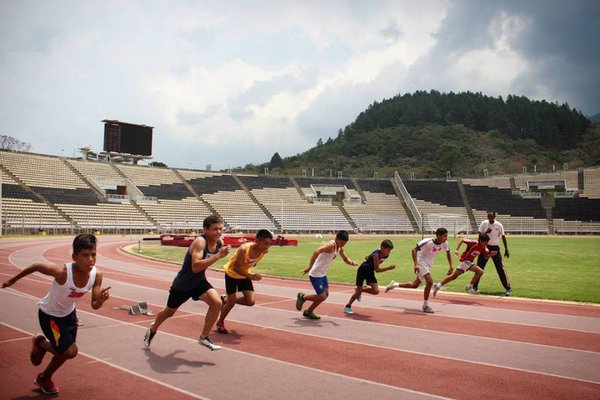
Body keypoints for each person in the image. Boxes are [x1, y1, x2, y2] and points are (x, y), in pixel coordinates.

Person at [1, 234, 111, 395]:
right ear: (74, 257)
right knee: (69, 352)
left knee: (64, 354)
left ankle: (44, 378)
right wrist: (12, 280)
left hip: (69, 315)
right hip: (50, 315)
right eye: (85, 255)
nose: (91, 260)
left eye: (93, 254)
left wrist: (101, 300)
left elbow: (95, 305)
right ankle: (40, 344)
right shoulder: (62, 272)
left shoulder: (97, 275)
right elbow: (36, 266)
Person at [143, 215, 230, 351]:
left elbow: (202, 268)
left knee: (217, 303)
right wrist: (218, 256)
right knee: (169, 312)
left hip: (199, 281)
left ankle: (204, 337)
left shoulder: (219, 243)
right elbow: (195, 267)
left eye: (220, 229)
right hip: (183, 285)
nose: (218, 232)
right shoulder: (200, 242)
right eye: (215, 229)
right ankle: (153, 328)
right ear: (205, 229)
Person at [216, 229, 273, 333]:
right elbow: (236, 268)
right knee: (231, 303)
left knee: (250, 302)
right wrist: (250, 276)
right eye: (265, 243)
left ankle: (225, 299)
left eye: (269, 244)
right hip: (231, 274)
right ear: (257, 241)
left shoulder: (263, 252)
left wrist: (251, 271)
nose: (267, 247)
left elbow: (252, 263)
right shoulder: (243, 249)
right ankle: (220, 322)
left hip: (244, 276)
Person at [385, 227, 453, 313]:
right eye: (444, 236)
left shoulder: (445, 243)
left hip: (428, 265)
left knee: (415, 285)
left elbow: (448, 252)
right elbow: (414, 250)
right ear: (438, 235)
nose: (446, 238)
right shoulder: (427, 242)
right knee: (430, 282)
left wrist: (451, 266)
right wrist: (416, 264)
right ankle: (425, 305)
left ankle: (394, 284)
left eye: (446, 236)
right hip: (421, 262)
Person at [296, 230, 358, 320]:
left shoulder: (339, 247)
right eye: (342, 242)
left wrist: (352, 263)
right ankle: (303, 297)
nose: (343, 244)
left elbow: (345, 259)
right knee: (322, 296)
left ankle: (309, 311)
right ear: (337, 238)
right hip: (315, 273)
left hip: (322, 273)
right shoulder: (331, 245)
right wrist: (309, 267)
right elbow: (316, 251)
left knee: (326, 294)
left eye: (345, 243)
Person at [432, 233, 497, 296]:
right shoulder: (474, 243)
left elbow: (485, 257)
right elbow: (462, 240)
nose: (486, 244)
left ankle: (438, 285)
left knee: (453, 276)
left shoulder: (483, 248)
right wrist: (457, 249)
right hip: (465, 261)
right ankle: (470, 286)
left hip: (467, 263)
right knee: (480, 272)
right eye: (485, 242)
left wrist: (490, 254)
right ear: (480, 241)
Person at [344, 239, 396, 315]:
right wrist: (388, 268)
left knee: (376, 291)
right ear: (382, 247)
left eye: (390, 250)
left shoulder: (386, 255)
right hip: (363, 270)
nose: (389, 252)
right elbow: (377, 270)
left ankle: (361, 290)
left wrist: (368, 258)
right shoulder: (376, 255)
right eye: (388, 250)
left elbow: (371, 259)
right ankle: (348, 306)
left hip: (370, 271)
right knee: (357, 292)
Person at [472, 211, 511, 296]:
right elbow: (480, 236)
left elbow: (503, 236)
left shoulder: (499, 225)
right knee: (479, 267)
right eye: (488, 217)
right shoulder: (484, 223)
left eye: (491, 217)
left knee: (500, 268)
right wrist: (486, 232)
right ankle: (474, 286)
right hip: (484, 247)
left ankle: (507, 288)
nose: (490, 219)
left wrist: (506, 249)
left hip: (495, 247)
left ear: (494, 217)